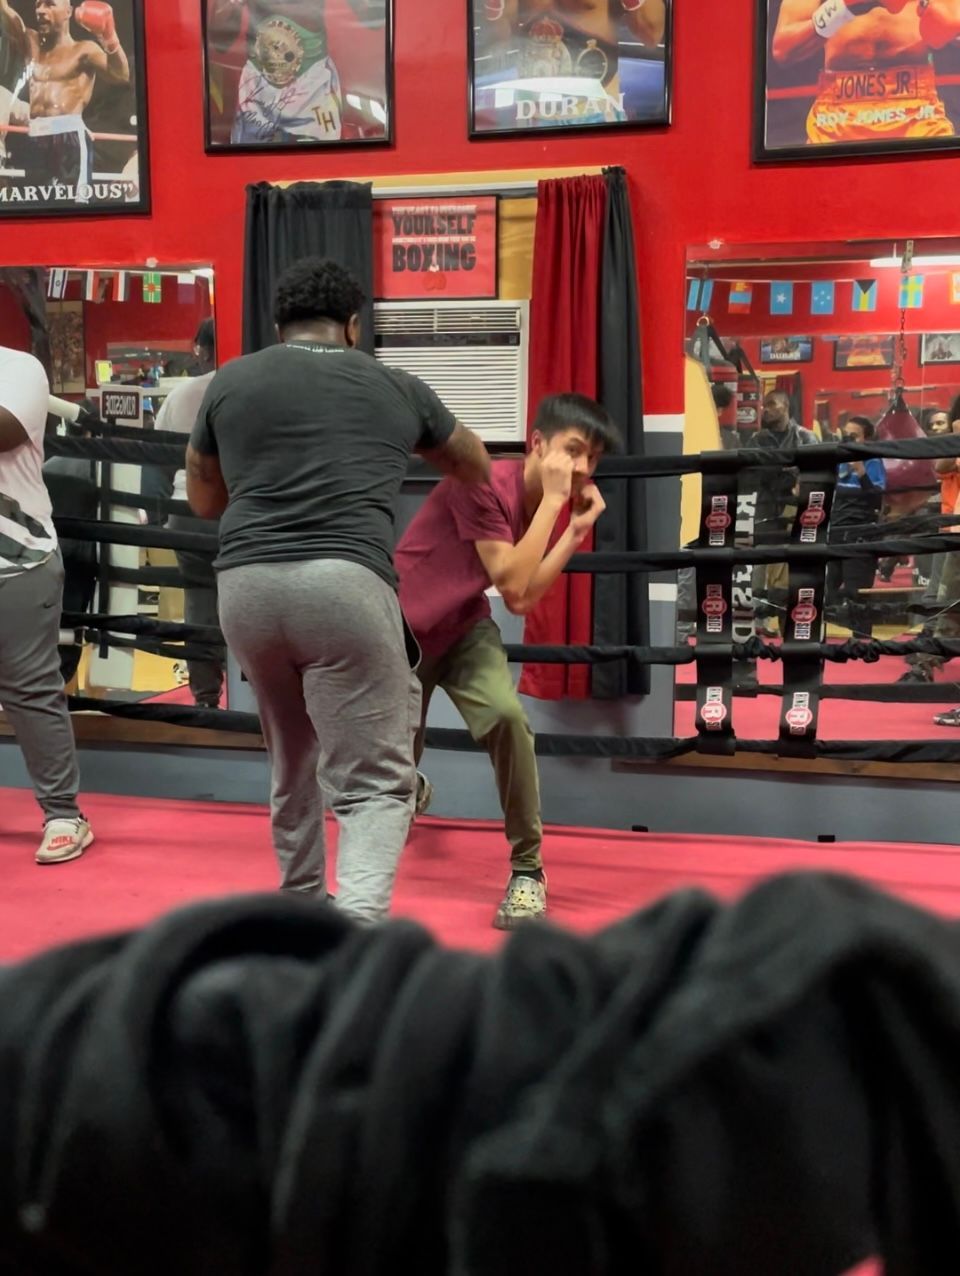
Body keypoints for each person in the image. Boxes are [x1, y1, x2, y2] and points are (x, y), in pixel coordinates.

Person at [185, 258, 490, 924]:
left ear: (277, 324)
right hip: (345, 588)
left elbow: (203, 498)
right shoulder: (392, 384)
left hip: (245, 591)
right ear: (353, 325)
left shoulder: (231, 382)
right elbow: (474, 464)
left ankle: (300, 910)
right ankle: (352, 946)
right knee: (378, 784)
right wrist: (392, 441)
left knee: (291, 755)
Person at [395, 393, 620, 930]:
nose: (582, 469)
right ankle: (408, 787)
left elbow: (520, 598)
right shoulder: (479, 483)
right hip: (401, 627)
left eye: (592, 459)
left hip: (464, 627)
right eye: (572, 450)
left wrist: (574, 530)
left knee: (507, 717)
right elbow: (516, 582)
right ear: (536, 444)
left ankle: (528, 871)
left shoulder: (540, 501)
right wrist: (553, 508)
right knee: (381, 780)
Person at [0, 345, 93, 863]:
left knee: (31, 690)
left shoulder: (17, 368)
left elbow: (5, 430)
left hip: (19, 559)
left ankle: (64, 814)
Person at [772, 0, 960, 148]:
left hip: (918, 116)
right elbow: (783, 49)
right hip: (836, 119)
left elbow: (951, 21)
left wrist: (954, 30)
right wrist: (843, 7)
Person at [156, 319, 225, 710]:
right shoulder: (247, 389)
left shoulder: (179, 396)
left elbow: (157, 459)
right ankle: (261, 699)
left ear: (199, 347)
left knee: (199, 605)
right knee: (250, 601)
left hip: (187, 508)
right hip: (238, 509)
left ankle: (205, 699)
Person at [0, 0, 130, 203]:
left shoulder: (84, 50)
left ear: (68, 11)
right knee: (30, 205)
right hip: (32, 137)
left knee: (72, 206)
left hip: (69, 139)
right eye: (38, 5)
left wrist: (109, 37)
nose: (41, 11)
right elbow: (5, 12)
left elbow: (120, 75)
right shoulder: (30, 42)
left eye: (50, 5)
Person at [208, 0, 386, 145]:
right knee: (250, 174)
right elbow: (219, 41)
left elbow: (375, 16)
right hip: (259, 90)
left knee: (320, 175)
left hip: (312, 86)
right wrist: (229, 5)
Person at [477, 0, 667, 127]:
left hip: (596, 114)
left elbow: (652, 35)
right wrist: (494, 14)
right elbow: (498, 43)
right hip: (530, 116)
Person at [745, 389, 819, 636]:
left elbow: (814, 474)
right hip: (765, 508)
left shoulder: (805, 437)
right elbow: (752, 473)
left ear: (785, 406)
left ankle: (791, 620)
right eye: (764, 404)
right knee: (760, 563)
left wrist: (786, 472)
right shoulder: (758, 440)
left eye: (771, 404)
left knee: (792, 566)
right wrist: (786, 470)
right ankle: (758, 619)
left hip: (795, 508)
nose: (765, 409)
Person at [41, 397, 99, 684]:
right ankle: (63, 680)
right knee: (75, 621)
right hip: (83, 556)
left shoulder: (47, 466)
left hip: (47, 555)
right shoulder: (99, 469)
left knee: (50, 619)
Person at [826, 415, 887, 639]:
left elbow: (875, 500)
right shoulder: (836, 459)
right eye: (846, 434)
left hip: (860, 532)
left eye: (854, 436)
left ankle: (861, 642)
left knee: (856, 592)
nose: (848, 439)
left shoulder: (873, 461)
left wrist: (861, 472)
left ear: (866, 439)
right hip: (835, 530)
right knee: (824, 588)